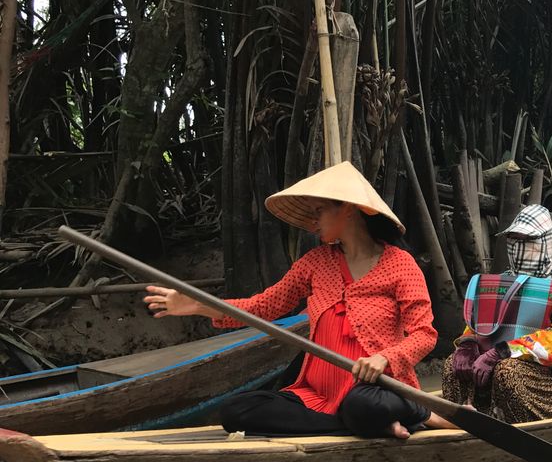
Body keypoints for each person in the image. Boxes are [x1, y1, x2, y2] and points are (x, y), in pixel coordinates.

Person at [144, 161, 453, 438]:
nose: (313, 221)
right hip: (317, 394)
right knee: (235, 412)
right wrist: (198, 306)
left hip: (375, 389)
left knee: (364, 405)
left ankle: (413, 412)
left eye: (319, 211)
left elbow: (424, 335)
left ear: (347, 208)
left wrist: (384, 358)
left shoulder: (399, 264)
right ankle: (371, 424)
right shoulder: (315, 263)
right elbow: (262, 307)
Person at [441, 204, 552, 423]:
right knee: (453, 365)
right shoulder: (502, 281)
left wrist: (503, 351)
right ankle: (465, 425)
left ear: (545, 242)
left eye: (528, 240)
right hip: (497, 361)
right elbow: (479, 323)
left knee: (508, 372)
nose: (519, 246)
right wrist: (467, 344)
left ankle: (527, 432)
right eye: (514, 239)